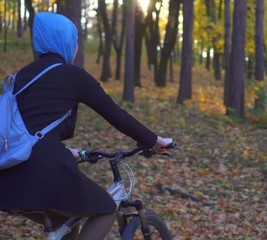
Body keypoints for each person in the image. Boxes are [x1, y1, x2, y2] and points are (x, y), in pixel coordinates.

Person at [0, 12, 173, 239]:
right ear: (66, 41)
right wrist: (154, 140)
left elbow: (30, 126)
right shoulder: (73, 76)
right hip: (43, 173)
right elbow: (117, 115)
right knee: (107, 208)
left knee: (68, 225)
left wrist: (67, 152)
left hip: (9, 178)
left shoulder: (20, 77)